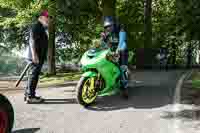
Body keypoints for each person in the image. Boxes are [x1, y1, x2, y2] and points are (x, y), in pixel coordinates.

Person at [24, 10, 49, 103]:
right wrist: (34, 55)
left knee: (33, 76)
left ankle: (28, 95)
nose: (48, 20)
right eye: (46, 18)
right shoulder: (37, 26)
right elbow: (32, 40)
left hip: (37, 56)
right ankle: (31, 97)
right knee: (33, 76)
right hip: (35, 56)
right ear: (41, 18)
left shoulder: (41, 27)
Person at [117, 24, 129, 99]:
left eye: (110, 26)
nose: (108, 28)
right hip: (110, 53)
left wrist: (121, 48)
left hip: (121, 53)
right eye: (107, 27)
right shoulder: (107, 34)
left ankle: (125, 88)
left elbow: (123, 42)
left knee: (122, 68)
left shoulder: (121, 32)